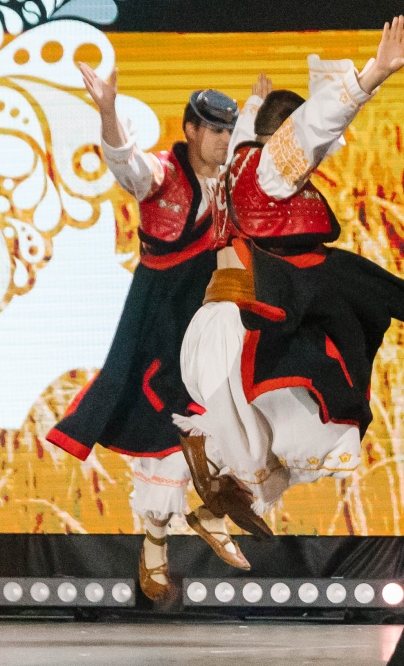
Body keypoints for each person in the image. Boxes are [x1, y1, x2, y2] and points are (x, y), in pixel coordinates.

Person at [171, 18, 404, 560]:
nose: (313, 164)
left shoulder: (239, 162)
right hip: (243, 329)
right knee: (323, 418)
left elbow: (255, 135)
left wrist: (256, 104)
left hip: (220, 326)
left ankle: (214, 497)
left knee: (285, 440)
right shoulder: (270, 170)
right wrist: (369, 78)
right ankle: (209, 452)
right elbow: (310, 131)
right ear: (283, 139)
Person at [45, 71, 272, 599]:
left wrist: (256, 106)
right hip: (160, 317)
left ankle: (210, 511)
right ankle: (157, 542)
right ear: (191, 130)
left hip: (211, 313)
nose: (224, 139)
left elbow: (248, 145)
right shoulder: (162, 175)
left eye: (229, 131)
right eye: (215, 130)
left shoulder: (230, 173)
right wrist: (107, 110)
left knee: (243, 407)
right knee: (162, 423)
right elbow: (125, 161)